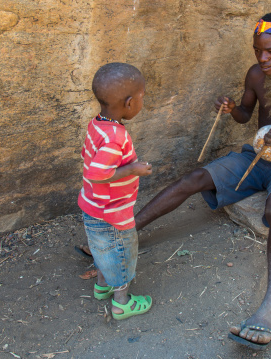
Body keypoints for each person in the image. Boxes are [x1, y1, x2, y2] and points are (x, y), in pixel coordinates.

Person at [133, 11, 271, 349]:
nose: (263, 58)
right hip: (257, 154)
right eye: (258, 50)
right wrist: (231, 108)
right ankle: (128, 233)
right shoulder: (257, 76)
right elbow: (246, 114)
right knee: (197, 177)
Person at [78, 62, 153, 320]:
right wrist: (133, 169)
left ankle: (102, 286)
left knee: (103, 250)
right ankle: (122, 303)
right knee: (121, 253)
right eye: (142, 96)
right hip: (112, 212)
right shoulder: (116, 136)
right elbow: (98, 173)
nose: (143, 101)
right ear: (130, 103)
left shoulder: (97, 125)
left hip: (93, 206)